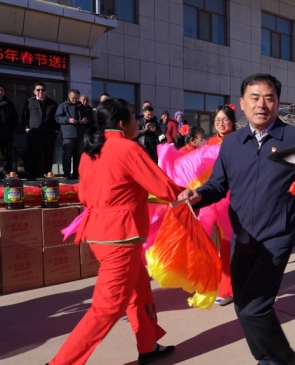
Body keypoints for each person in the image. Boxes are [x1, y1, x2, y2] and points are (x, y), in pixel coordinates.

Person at [177, 74, 295, 365]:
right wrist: (198, 195)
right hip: (242, 239)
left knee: (255, 307)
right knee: (243, 305)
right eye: (255, 97)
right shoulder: (232, 143)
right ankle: (269, 357)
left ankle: (277, 360)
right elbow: (218, 185)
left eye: (269, 97)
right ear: (242, 103)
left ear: (278, 102)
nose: (261, 104)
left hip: (276, 238)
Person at [47, 98, 180, 365]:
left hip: (99, 233)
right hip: (121, 237)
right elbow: (163, 186)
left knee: (138, 288)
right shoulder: (128, 149)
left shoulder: (89, 153)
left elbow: (86, 194)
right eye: (133, 117)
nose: (137, 122)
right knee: (107, 308)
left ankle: (147, 344)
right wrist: (189, 194)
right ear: (122, 123)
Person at [202, 104, 237, 306]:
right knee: (205, 242)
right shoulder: (209, 143)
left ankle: (227, 288)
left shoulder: (238, 141)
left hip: (233, 198)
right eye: (217, 120)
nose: (220, 123)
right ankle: (212, 282)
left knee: (227, 245)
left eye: (225, 119)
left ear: (232, 121)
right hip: (212, 198)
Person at [22, 82, 59, 180]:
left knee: (48, 155)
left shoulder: (52, 103)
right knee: (33, 154)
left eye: (43, 90)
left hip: (49, 133)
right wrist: (26, 128)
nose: (40, 92)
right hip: (34, 132)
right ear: (34, 91)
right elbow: (24, 116)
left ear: (46, 91)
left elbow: (57, 118)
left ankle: (47, 176)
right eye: (38, 90)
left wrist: (56, 130)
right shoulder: (29, 102)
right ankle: (32, 175)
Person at [56, 89, 88, 180]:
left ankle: (76, 173)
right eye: (73, 98)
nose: (75, 100)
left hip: (80, 134)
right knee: (67, 155)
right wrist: (68, 120)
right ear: (69, 96)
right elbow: (57, 118)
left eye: (77, 98)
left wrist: (86, 119)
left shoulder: (81, 107)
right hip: (68, 134)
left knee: (79, 155)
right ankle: (67, 174)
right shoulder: (63, 106)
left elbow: (89, 117)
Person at [0, 84, 19, 173]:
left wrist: (11, 129)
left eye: (1, 90)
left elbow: (15, 118)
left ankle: (6, 174)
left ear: (4, 92)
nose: (0, 92)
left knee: (7, 155)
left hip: (7, 134)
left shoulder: (9, 104)